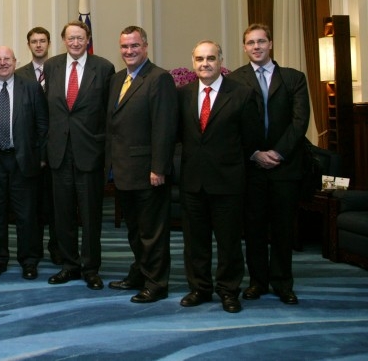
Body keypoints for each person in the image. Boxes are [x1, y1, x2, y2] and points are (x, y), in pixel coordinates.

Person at [228, 23, 310, 305]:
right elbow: (232, 125)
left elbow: (300, 122)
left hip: (285, 167)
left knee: (283, 228)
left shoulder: (293, 78)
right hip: (251, 167)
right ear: (244, 47)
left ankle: (283, 283)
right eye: (250, 43)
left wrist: (277, 153)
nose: (256, 47)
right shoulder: (235, 80)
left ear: (270, 44)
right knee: (254, 228)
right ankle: (258, 282)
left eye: (261, 41)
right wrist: (255, 153)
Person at [177, 40, 260, 313]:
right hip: (192, 181)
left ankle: (228, 291)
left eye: (211, 58)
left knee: (229, 243)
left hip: (228, 182)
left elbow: (250, 140)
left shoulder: (241, 93)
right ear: (193, 62)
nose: (205, 64)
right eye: (200, 59)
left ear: (220, 61)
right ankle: (199, 288)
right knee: (195, 242)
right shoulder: (183, 94)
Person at [105, 26, 177, 303]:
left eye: (134, 46)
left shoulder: (159, 79)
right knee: (135, 230)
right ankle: (139, 273)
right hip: (123, 171)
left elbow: (164, 128)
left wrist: (159, 168)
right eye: (124, 47)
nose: (129, 51)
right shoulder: (117, 79)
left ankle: (157, 283)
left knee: (152, 232)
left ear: (145, 46)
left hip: (149, 172)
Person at [43, 20, 114, 290]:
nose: (75, 42)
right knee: (62, 215)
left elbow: (109, 114)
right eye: (70, 38)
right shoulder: (52, 66)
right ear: (63, 40)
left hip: (90, 153)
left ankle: (91, 268)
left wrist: (107, 154)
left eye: (80, 38)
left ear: (88, 39)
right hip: (59, 153)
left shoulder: (104, 67)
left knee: (90, 214)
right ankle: (69, 265)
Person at [0, 46, 48, 280]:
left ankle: (29, 260)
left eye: (7, 59)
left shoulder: (32, 88)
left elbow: (42, 126)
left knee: (27, 214)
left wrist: (42, 157)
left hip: (23, 159)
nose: (3, 63)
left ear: (15, 62)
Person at [15, 26, 61, 265]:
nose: (39, 45)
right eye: (34, 41)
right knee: (31, 205)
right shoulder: (19, 74)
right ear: (29, 45)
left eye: (43, 41)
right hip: (28, 150)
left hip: (55, 146)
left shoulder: (58, 70)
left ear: (49, 43)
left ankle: (56, 248)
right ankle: (33, 249)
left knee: (54, 204)